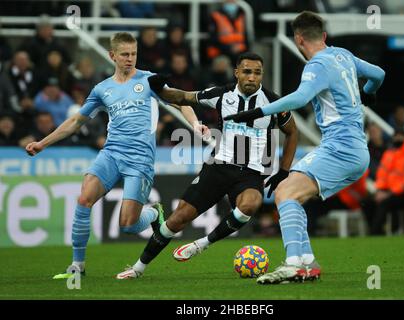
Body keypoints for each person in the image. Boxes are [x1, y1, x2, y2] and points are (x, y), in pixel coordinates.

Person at [25, 32, 207, 278]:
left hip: (139, 160)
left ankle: (154, 213)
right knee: (83, 200)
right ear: (112, 56)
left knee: (128, 225)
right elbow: (76, 121)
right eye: (124, 54)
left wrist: (195, 125)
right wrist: (43, 143)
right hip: (111, 153)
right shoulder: (102, 89)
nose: (130, 59)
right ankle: (77, 267)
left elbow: (181, 101)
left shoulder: (149, 80)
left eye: (133, 54)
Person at [221, 11, 385, 284]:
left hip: (341, 149)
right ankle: (307, 263)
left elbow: (300, 98)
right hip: (354, 149)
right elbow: (378, 73)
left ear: (298, 40)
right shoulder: (343, 55)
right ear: (323, 36)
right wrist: (369, 90)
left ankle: (294, 263)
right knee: (291, 193)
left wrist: (257, 111)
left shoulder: (316, 65)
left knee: (285, 192)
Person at [116, 52, 298, 279]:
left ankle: (202, 243)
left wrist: (283, 170)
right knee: (179, 218)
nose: (252, 77)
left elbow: (292, 132)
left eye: (257, 73)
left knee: (251, 204)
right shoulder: (221, 95)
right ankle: (138, 267)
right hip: (219, 166)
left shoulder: (274, 102)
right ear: (237, 73)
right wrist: (160, 87)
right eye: (247, 71)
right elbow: (183, 97)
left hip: (250, 173)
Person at [371, 128, 404, 235]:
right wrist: (379, 191)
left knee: (385, 203)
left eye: (400, 136)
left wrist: (388, 194)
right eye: (396, 136)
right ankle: (379, 231)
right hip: (392, 192)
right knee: (368, 202)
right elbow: (381, 175)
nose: (398, 138)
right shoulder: (389, 154)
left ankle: (375, 233)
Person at [206, 0, 249, 64]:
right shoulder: (215, 15)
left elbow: (245, 38)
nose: (231, 3)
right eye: (228, 1)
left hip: (239, 52)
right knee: (223, 63)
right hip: (220, 52)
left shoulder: (241, 14)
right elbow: (212, 39)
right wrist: (230, 48)